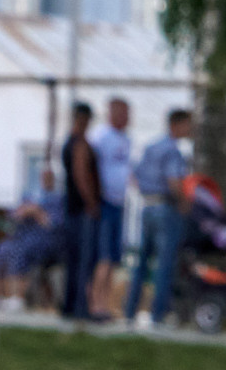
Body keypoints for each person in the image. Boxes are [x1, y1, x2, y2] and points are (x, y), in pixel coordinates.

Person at [127, 107, 192, 328]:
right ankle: (158, 315)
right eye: (188, 124)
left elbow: (135, 176)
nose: (190, 129)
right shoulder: (173, 151)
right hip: (166, 208)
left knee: (142, 263)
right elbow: (174, 181)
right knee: (165, 264)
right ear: (177, 124)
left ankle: (130, 311)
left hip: (147, 207)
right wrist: (184, 203)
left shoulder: (151, 147)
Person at [0, 167, 66, 311]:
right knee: (1, 251)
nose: (46, 180)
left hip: (46, 242)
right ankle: (1, 297)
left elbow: (54, 225)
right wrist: (22, 212)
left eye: (49, 178)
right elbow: (12, 217)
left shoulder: (59, 199)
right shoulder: (30, 196)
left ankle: (17, 297)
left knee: (21, 251)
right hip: (21, 238)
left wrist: (37, 213)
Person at [89, 95, 132, 319]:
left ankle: (105, 305)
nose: (127, 118)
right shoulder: (100, 138)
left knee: (114, 258)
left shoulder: (126, 139)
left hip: (119, 203)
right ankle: (95, 304)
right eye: (123, 113)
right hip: (104, 203)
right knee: (103, 257)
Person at [59, 101, 99, 318]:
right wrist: (91, 203)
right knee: (83, 260)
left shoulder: (69, 142)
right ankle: (79, 306)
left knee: (73, 260)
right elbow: (81, 175)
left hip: (71, 208)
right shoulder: (79, 144)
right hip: (81, 210)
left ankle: (70, 304)